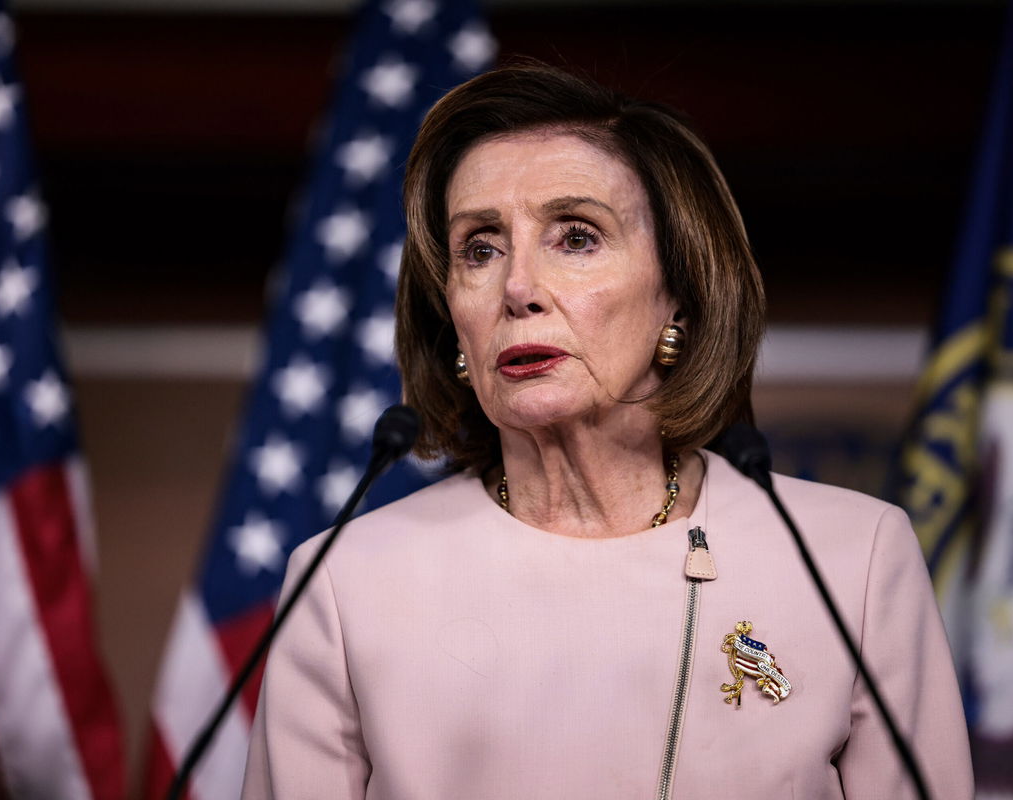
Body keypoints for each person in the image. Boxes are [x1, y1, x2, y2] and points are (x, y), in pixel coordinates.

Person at [241, 63, 973, 799]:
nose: (519, 288)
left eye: (577, 237)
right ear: (452, 320)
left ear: (678, 297)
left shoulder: (853, 562)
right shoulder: (347, 583)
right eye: (480, 249)